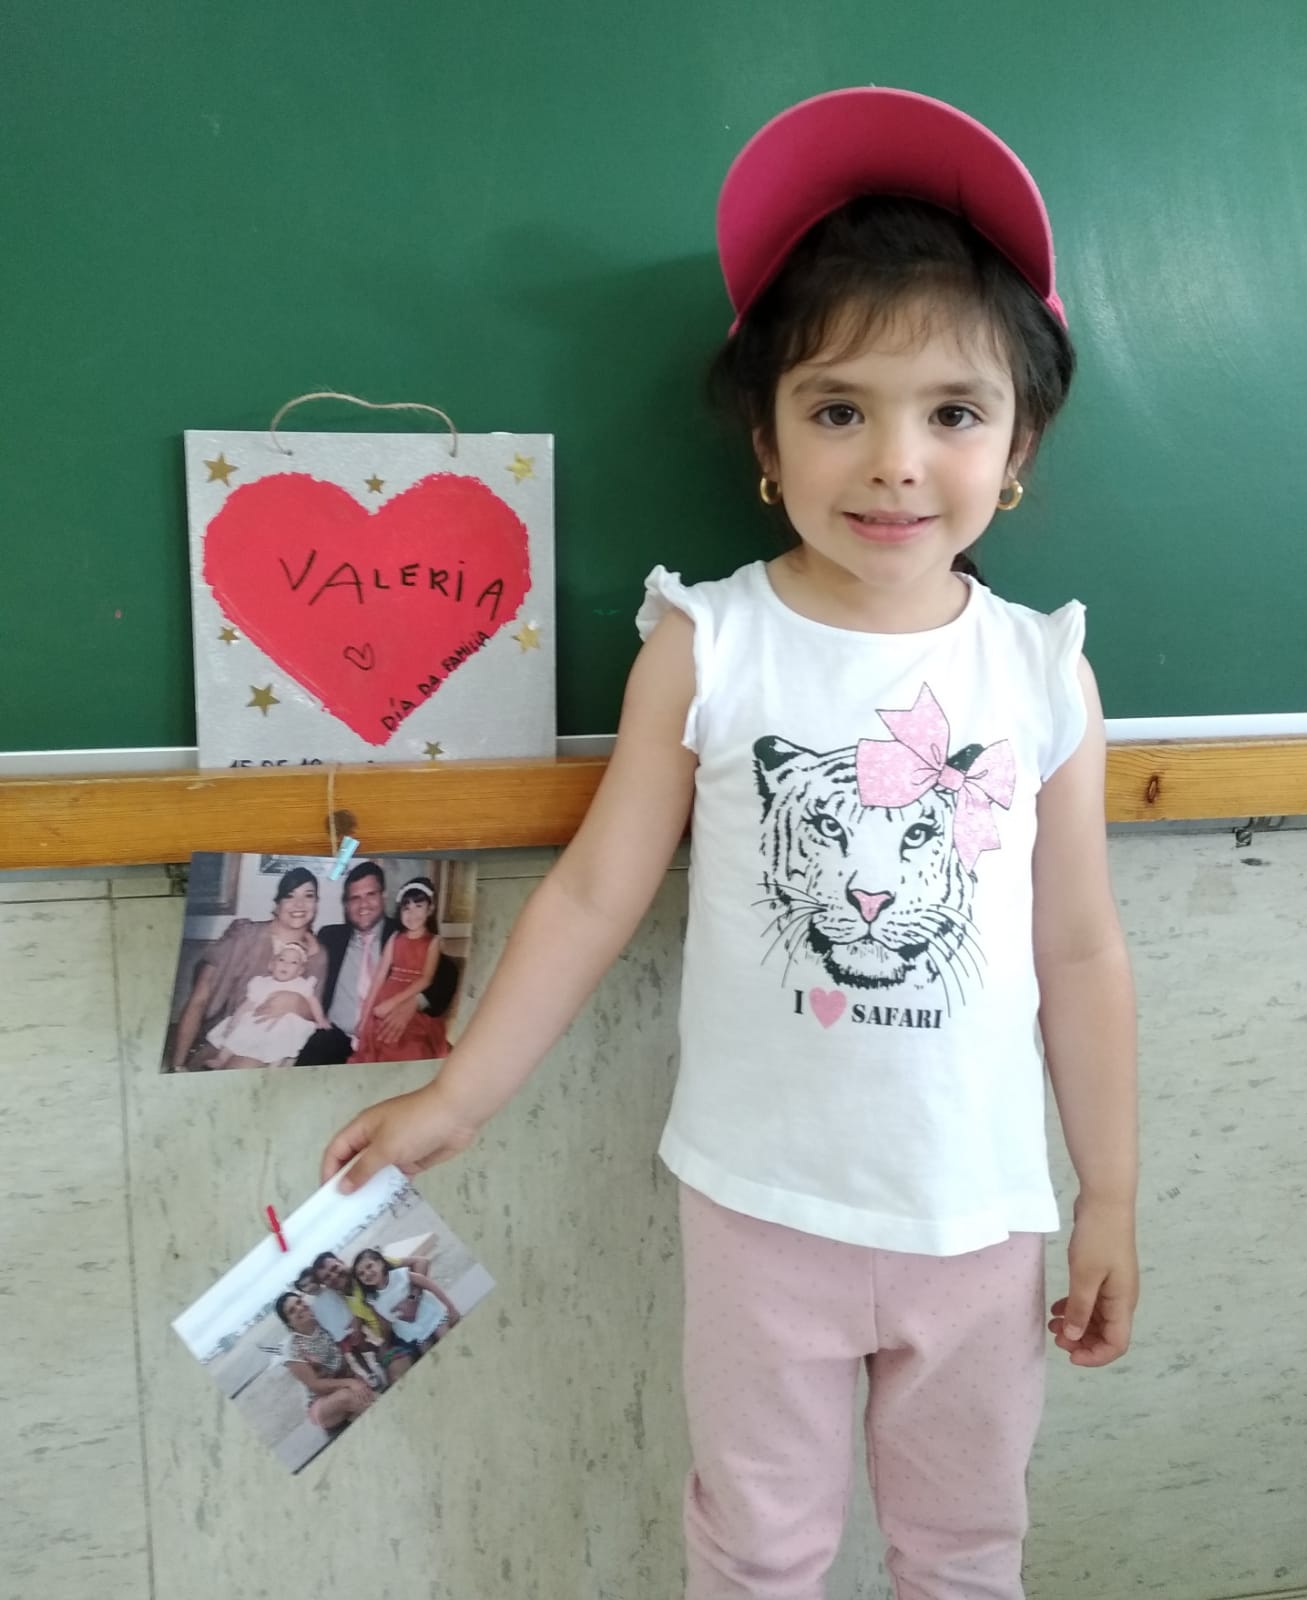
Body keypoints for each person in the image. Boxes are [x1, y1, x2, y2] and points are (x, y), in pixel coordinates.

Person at [322, 86, 1139, 1600]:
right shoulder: (708, 645)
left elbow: (1079, 951)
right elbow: (593, 893)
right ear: (765, 439)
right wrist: (460, 1094)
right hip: (760, 1208)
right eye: (837, 409)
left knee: (968, 1547)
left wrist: (1110, 1194)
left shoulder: (1042, 672)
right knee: (757, 1549)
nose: (894, 460)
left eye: (952, 412)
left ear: (1018, 446)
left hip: (979, 1216)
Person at [289, 861, 459, 1067]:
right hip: (336, 1038)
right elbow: (294, 953)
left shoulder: (403, 933)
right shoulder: (330, 936)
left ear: (383, 896)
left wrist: (414, 1003)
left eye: (370, 894)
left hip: (385, 1038)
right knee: (307, 1067)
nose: (363, 905)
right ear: (346, 904)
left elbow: (447, 973)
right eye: (355, 898)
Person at [169, 866, 327, 1071]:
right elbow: (200, 998)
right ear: (277, 904)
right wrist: (177, 1064)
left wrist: (295, 1002)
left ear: (316, 904)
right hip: (225, 1039)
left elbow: (315, 1017)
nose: (299, 904)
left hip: (278, 1046)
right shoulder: (243, 935)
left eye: (309, 895)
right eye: (290, 896)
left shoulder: (318, 956)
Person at [350, 879, 452, 1064]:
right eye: (406, 908)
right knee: (376, 1043)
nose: (412, 914)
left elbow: (426, 979)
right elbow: (379, 978)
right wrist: (364, 1018)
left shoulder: (434, 941)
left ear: (430, 909)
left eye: (418, 906)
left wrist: (393, 1003)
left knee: (408, 1045)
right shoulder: (395, 938)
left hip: (407, 1000)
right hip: (386, 996)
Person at [309, 1249, 433, 1386]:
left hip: (411, 1326)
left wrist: (412, 1298)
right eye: (327, 1277)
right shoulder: (343, 1297)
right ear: (325, 1285)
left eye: (335, 1268)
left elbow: (421, 1262)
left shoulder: (367, 1270)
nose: (334, 1276)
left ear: (341, 1262)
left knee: (398, 1376)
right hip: (395, 1338)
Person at [205, 942, 331, 1068]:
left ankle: (275, 1067)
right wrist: (235, 1020)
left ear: (300, 971)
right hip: (257, 1020)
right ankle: (221, 1058)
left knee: (283, 1040)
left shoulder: (301, 985)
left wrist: (320, 1019)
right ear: (272, 965)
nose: (286, 964)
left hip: (285, 1024)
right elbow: (248, 1004)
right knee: (240, 1032)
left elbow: (313, 1002)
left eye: (294, 962)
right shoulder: (262, 983)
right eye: (281, 960)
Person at [274, 1291, 376, 1431]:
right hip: (323, 1403)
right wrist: (350, 1383)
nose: (299, 1308)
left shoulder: (323, 1323)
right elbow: (315, 1385)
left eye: (299, 1302)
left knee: (363, 1395)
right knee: (347, 1397)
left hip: (347, 1383)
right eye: (292, 1311)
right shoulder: (292, 1348)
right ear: (289, 1323)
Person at [351, 1248, 461, 1355]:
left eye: (369, 1266)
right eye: (361, 1274)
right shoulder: (372, 1300)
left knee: (450, 1342)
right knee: (431, 1355)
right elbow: (384, 1323)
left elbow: (429, 1285)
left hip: (432, 1316)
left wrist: (451, 1308)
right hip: (414, 1331)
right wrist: (386, 1344)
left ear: (380, 1263)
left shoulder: (401, 1275)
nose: (367, 1273)